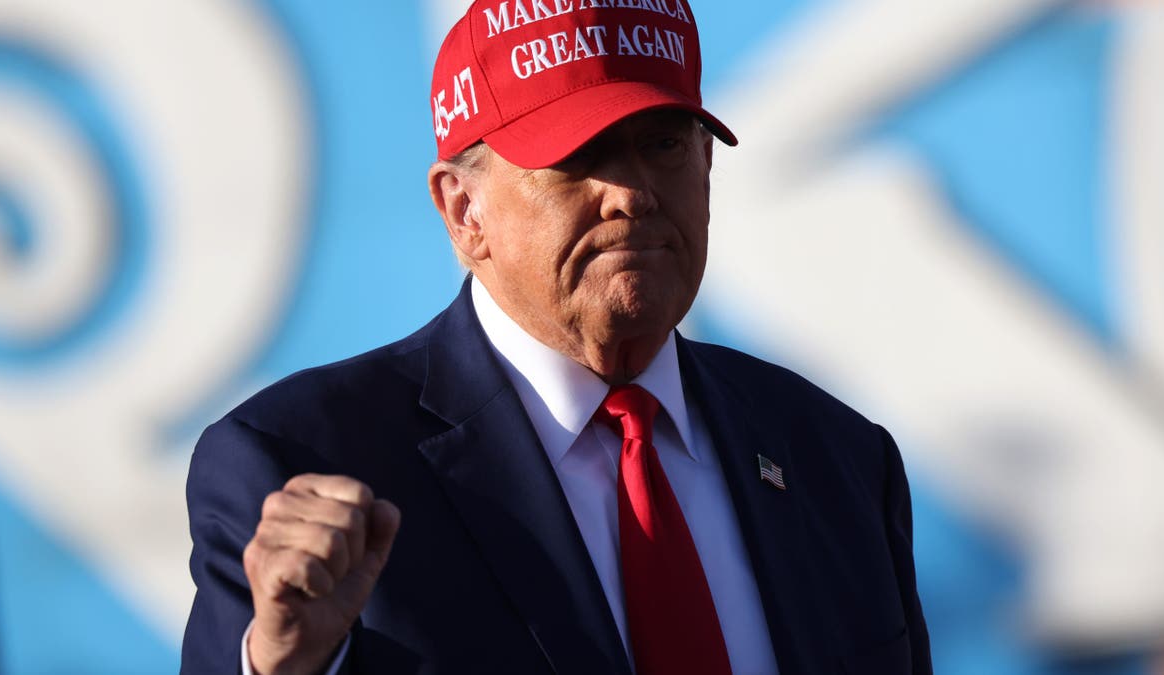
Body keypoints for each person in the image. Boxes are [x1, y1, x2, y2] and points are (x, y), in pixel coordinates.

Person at [181, 1, 932, 673]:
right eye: (579, 155)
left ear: (706, 165)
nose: (632, 193)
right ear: (463, 209)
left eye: (664, 144)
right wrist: (285, 666)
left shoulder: (837, 457)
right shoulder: (302, 463)